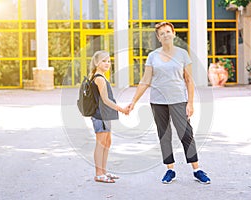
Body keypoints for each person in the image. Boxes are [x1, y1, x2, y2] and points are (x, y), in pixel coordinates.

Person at [128, 22, 211, 184]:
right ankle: (170, 169)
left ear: (173, 34)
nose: (165, 35)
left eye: (168, 32)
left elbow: (188, 80)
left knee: (186, 134)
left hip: (179, 100)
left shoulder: (182, 54)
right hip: (158, 102)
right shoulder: (152, 56)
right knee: (164, 136)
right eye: (162, 33)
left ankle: (197, 169)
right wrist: (133, 101)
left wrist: (190, 103)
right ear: (158, 38)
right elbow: (145, 81)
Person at [89, 50, 129, 183]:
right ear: (96, 63)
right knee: (101, 143)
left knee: (107, 142)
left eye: (109, 61)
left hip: (105, 115)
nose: (107, 63)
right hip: (100, 115)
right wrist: (122, 109)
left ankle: (103, 171)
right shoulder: (99, 78)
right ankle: (98, 173)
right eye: (104, 61)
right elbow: (105, 100)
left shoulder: (101, 76)